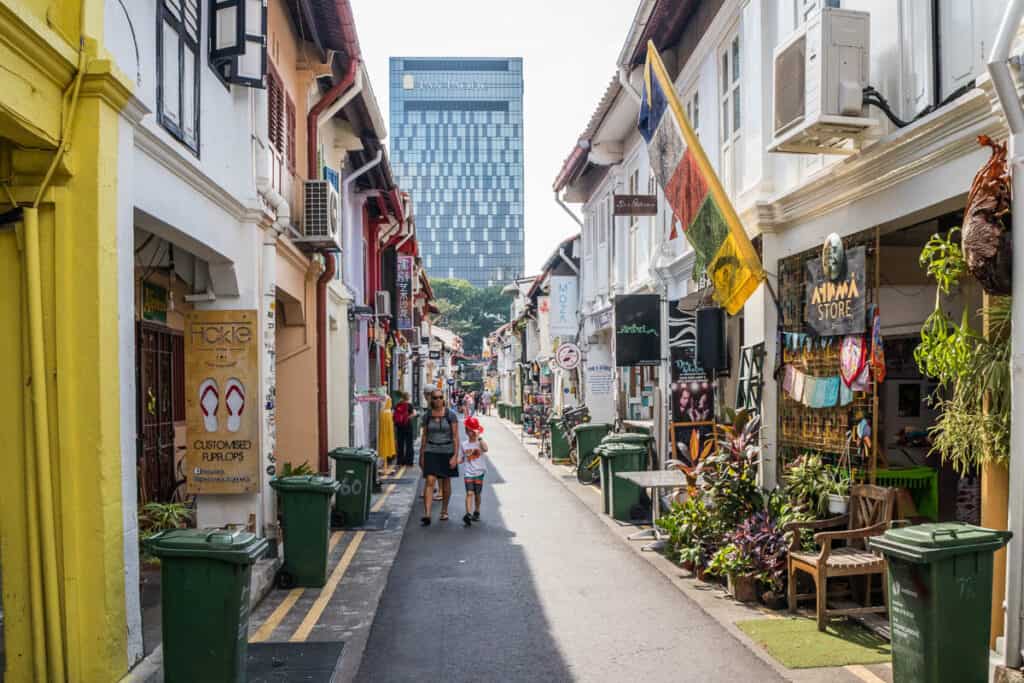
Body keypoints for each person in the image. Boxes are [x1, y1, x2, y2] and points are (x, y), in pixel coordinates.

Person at [419, 390, 459, 525]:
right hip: (431, 450)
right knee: (430, 480)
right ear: (431, 400)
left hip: (447, 451)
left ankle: (444, 510)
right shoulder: (427, 416)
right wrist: (421, 454)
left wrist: (455, 455)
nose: (438, 400)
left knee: (446, 481)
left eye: (441, 397)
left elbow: (455, 436)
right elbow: (424, 436)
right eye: (435, 398)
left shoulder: (451, 415)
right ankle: (427, 514)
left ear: (444, 399)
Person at [459, 416, 489, 526]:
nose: (469, 432)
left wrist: (479, 437)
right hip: (468, 473)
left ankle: (477, 510)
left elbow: (485, 449)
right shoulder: (464, 444)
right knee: (469, 493)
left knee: (477, 494)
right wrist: (455, 462)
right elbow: (462, 458)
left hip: (479, 472)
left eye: (472, 430)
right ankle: (468, 514)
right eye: (468, 429)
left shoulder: (479, 443)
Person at [393, 392, 415, 467]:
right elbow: (412, 415)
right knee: (409, 443)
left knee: (400, 444)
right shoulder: (409, 405)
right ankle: (409, 461)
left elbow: (394, 415)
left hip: (399, 427)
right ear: (408, 397)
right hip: (408, 426)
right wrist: (409, 417)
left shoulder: (398, 405)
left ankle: (400, 460)